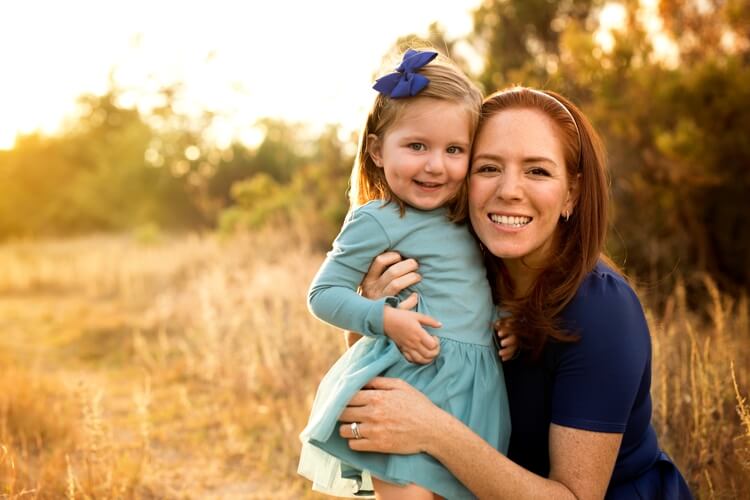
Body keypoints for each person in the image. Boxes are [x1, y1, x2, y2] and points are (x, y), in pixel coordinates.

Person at [338, 86, 694, 499]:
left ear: (572, 193)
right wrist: (374, 318)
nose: (509, 190)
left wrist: (434, 431)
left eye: (537, 171)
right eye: (488, 168)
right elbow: (379, 398)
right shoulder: (461, 271)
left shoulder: (601, 311)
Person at [297, 48, 515, 500]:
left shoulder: (467, 218)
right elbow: (322, 293)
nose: (436, 164)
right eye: (417, 146)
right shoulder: (378, 217)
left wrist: (502, 317)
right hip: (411, 381)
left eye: (454, 150)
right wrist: (386, 318)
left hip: (474, 390)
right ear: (377, 150)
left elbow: (464, 289)